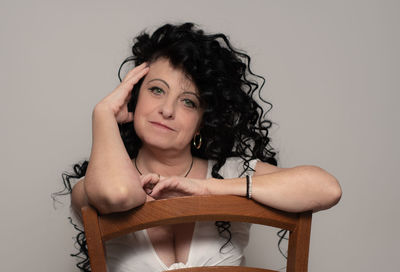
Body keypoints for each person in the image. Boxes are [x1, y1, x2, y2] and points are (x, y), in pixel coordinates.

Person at [61, 22, 342, 271]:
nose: (167, 110)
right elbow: (119, 194)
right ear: (133, 97)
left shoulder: (228, 172)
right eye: (156, 90)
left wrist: (212, 189)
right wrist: (103, 115)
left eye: (188, 102)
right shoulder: (98, 182)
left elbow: (326, 189)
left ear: (201, 123)